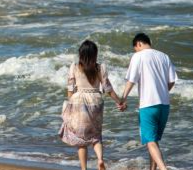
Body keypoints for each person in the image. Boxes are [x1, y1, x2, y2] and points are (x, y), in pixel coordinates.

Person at [60, 40, 126, 170]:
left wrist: (69, 104)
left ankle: (84, 168)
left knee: (81, 140)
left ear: (81, 53)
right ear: (95, 54)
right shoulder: (100, 67)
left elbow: (70, 88)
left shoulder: (74, 66)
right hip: (95, 100)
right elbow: (108, 89)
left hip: (79, 101)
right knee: (96, 135)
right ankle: (100, 159)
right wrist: (119, 101)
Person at [120, 33, 177, 170]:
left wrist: (123, 98)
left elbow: (131, 80)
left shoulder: (138, 56)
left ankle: (163, 168)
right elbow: (172, 80)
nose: (136, 51)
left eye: (135, 48)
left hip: (148, 105)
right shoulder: (164, 56)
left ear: (138, 44)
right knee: (154, 141)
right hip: (164, 105)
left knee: (150, 142)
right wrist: (162, 92)